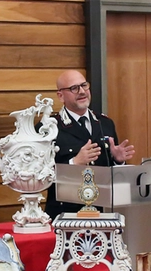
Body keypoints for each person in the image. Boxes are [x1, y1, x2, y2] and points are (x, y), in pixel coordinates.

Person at [45, 70, 136, 217]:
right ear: (60, 96)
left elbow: (111, 173)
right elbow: (40, 175)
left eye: (84, 85)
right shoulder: (49, 128)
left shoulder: (105, 123)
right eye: (74, 88)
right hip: (67, 214)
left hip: (104, 211)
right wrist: (74, 163)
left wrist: (118, 161)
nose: (81, 92)